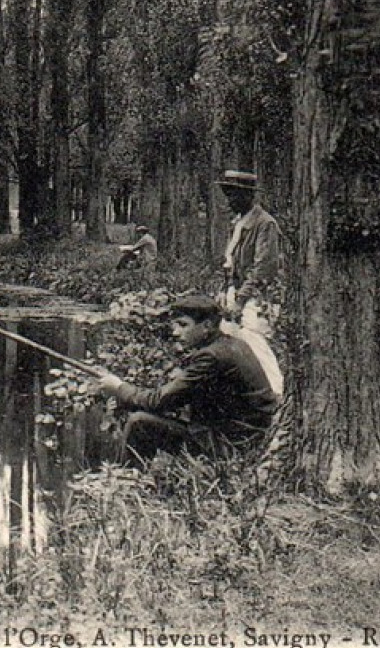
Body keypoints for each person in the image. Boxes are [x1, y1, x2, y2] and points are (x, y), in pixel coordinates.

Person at [93, 295, 280, 461]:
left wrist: (118, 387)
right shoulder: (232, 344)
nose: (175, 332)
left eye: (183, 325)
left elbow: (159, 400)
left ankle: (124, 483)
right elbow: (177, 397)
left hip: (233, 446)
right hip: (249, 437)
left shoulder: (211, 357)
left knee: (139, 423)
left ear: (206, 326)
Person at [217, 170, 280, 330]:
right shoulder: (237, 223)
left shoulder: (265, 224)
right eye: (228, 195)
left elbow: (263, 268)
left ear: (248, 196)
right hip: (236, 294)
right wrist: (224, 290)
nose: (230, 201)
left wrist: (241, 301)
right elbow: (230, 262)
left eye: (235, 196)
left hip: (255, 299)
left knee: (255, 344)